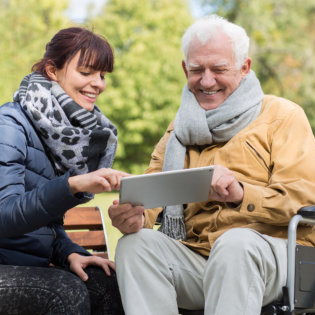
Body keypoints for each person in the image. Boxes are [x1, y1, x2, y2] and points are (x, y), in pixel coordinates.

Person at [108, 15, 315, 315]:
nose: (206, 81)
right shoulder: (178, 130)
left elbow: (304, 199)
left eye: (219, 69)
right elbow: (151, 196)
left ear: (244, 67)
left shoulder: (282, 116)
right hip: (202, 257)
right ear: (184, 69)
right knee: (135, 246)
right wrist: (133, 216)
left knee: (235, 245)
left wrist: (242, 194)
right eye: (196, 70)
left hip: (276, 256)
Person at [0, 27, 128, 315]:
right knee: (63, 294)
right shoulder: (9, 124)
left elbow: (48, 226)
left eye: (103, 75)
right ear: (52, 71)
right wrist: (73, 185)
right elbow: (4, 216)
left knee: (108, 283)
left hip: (28, 264)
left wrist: (68, 251)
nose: (99, 84)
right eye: (86, 72)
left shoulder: (57, 133)